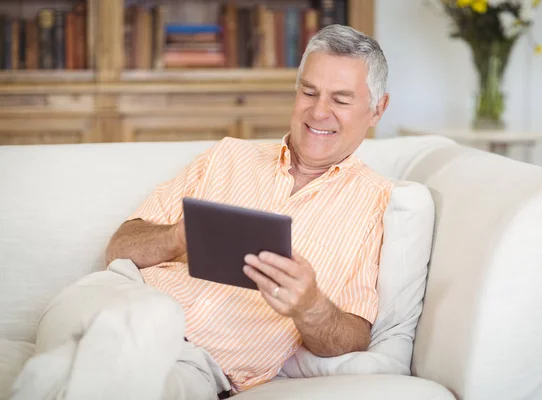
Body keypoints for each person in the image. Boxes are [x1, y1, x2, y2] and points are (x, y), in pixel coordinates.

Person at [11, 24, 391, 400]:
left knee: (135, 379)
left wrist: (311, 307)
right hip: (116, 300)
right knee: (140, 326)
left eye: (340, 100)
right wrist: (176, 237)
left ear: (377, 109)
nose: (319, 112)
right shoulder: (227, 155)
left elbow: (354, 336)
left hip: (199, 365)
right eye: (309, 92)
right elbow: (120, 247)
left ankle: (64, 380)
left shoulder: (375, 202)